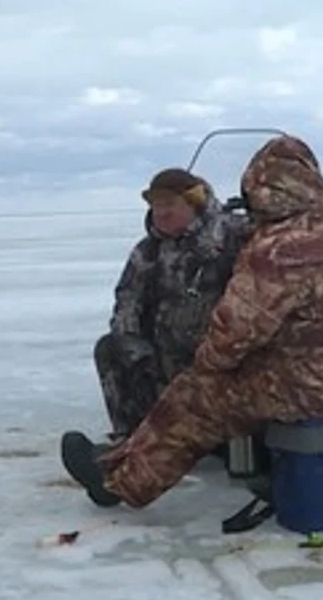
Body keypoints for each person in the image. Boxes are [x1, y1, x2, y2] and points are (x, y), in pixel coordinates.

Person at [62, 135, 323, 511]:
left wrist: (206, 369)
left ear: (261, 191)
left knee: (198, 394)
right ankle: (129, 455)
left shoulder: (277, 248)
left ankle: (118, 483)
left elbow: (231, 339)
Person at [95, 167, 249, 444]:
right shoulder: (148, 251)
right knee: (111, 348)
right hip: (164, 360)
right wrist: (133, 344)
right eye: (155, 206)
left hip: (221, 359)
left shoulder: (234, 236)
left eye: (169, 204)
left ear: (194, 202)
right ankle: (132, 441)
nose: (161, 213)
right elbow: (127, 300)